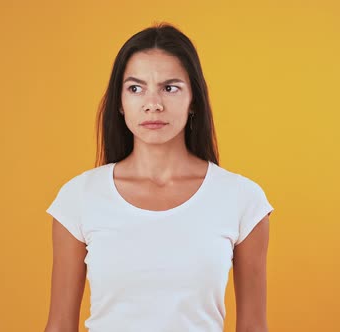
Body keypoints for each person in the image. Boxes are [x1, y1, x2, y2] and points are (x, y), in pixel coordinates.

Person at [44, 23, 274, 332]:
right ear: (120, 103)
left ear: (193, 100)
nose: (153, 104)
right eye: (136, 88)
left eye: (170, 87)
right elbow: (59, 326)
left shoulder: (243, 200)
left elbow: (253, 327)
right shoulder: (78, 198)